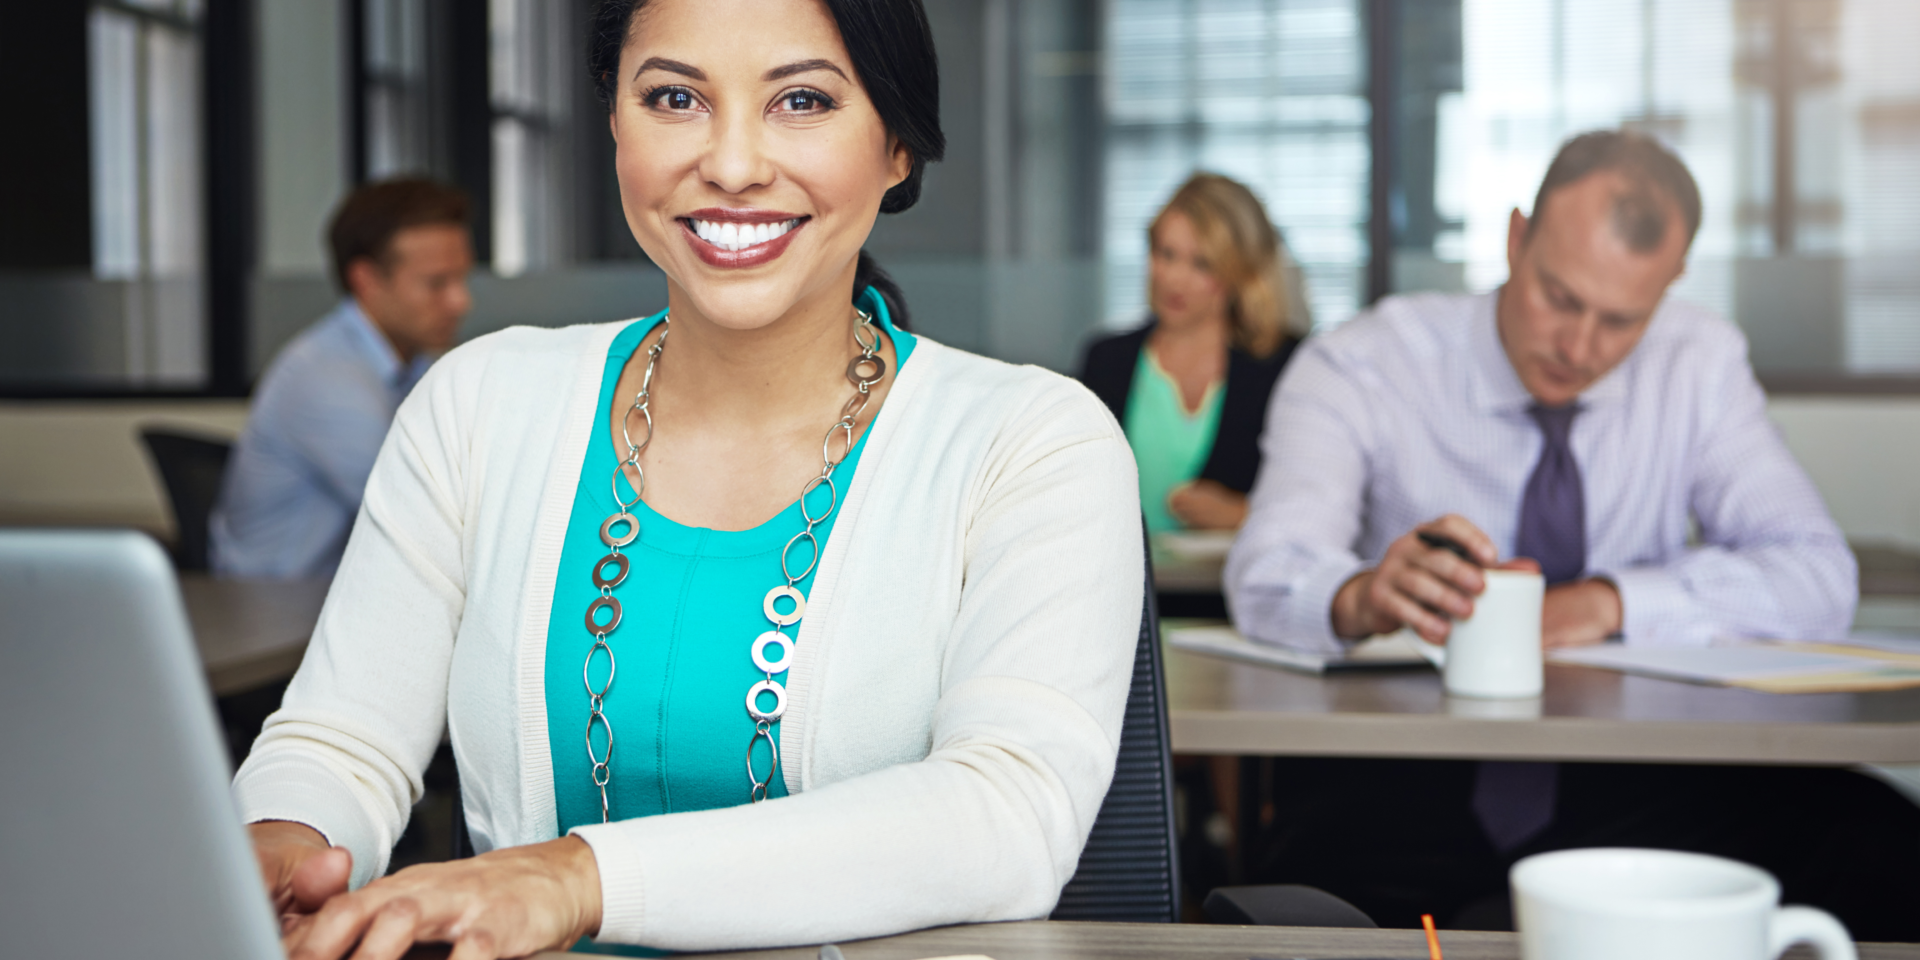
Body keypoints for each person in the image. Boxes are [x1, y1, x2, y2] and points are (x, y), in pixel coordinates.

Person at [234, 1, 1143, 957]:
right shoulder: (481, 403)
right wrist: (284, 842)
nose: (735, 164)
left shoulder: (1033, 440)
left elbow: (1005, 816)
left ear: (897, 147)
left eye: (802, 100)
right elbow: (342, 740)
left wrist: (578, 879)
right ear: (616, 122)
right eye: (674, 97)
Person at [1225, 130, 1918, 939]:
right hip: (1403, 776)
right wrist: (1359, 594)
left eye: (1621, 320)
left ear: (1671, 285)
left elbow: (1817, 574)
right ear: (1516, 239)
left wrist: (1608, 601)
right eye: (1559, 297)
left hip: (1639, 775)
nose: (1580, 348)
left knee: (1884, 849)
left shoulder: (1698, 362)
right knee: (1293, 908)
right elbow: (1267, 570)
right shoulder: (1363, 364)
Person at [210, 179, 473, 580]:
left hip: (335, 606)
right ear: (366, 280)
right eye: (436, 283)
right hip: (274, 616)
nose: (460, 301)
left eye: (461, 279)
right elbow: (425, 518)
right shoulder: (324, 378)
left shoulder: (411, 367)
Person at [1078, 173, 1307, 534]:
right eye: (1165, 254)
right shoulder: (1106, 360)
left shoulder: (1287, 366)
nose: (1174, 278)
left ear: (1240, 273)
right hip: (1118, 587)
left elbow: (1318, 507)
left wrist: (1243, 515)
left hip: (1225, 588)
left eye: (1201, 264)